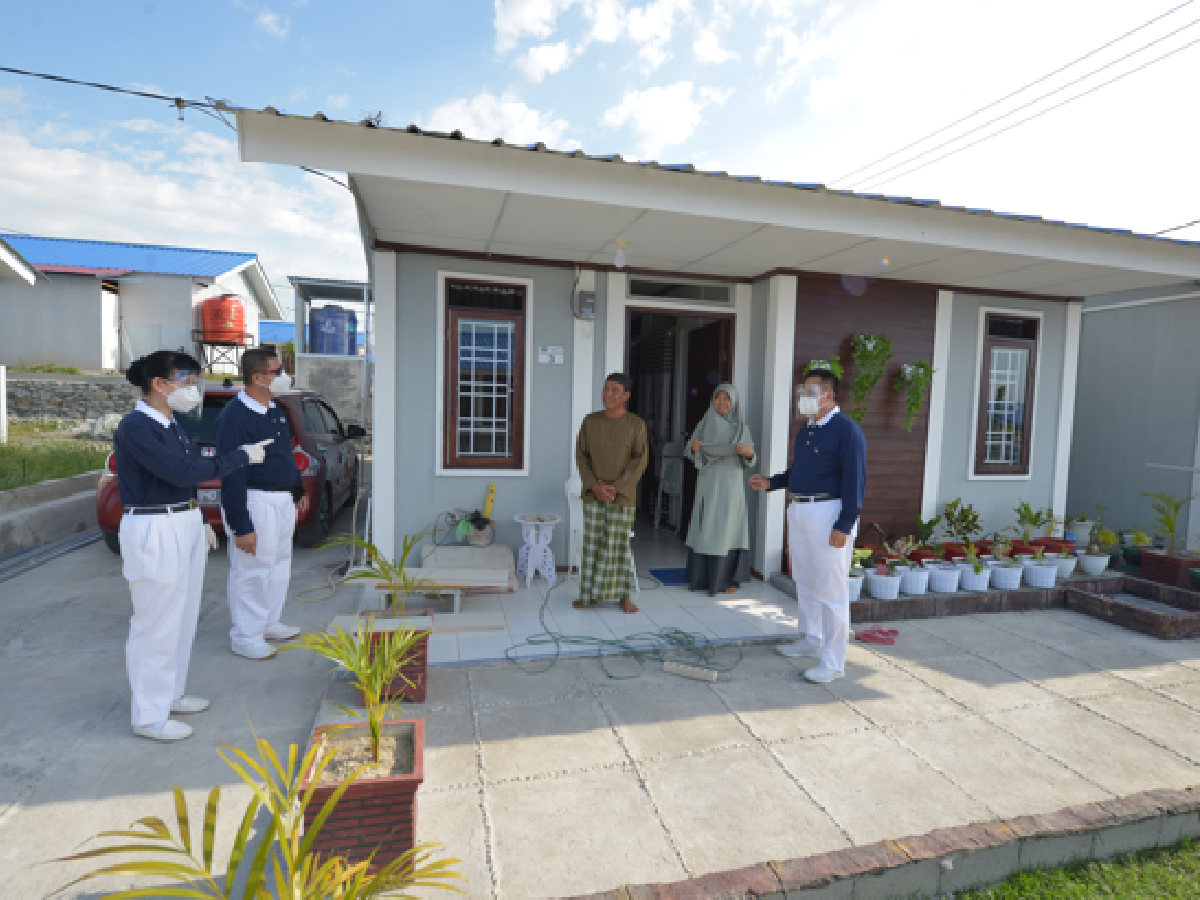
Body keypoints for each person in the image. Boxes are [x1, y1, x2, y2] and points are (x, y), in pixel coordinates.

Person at [114, 351, 271, 742]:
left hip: (181, 520)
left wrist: (199, 518)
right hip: (153, 525)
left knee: (183, 617)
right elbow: (181, 471)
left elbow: (183, 483)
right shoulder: (137, 426)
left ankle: (170, 694)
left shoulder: (170, 422)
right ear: (159, 384)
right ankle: (148, 715)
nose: (192, 388)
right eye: (186, 380)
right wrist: (239, 457)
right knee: (155, 622)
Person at [750, 368, 866, 684]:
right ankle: (810, 639)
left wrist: (844, 524)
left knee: (831, 590)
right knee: (805, 581)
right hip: (800, 511)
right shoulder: (808, 429)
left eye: (811, 391)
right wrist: (772, 482)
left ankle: (832, 661)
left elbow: (856, 482)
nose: (803, 397)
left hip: (829, 513)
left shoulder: (847, 430)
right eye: (803, 391)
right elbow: (800, 471)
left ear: (829, 395)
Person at [216, 348, 307, 661]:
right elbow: (231, 470)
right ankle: (246, 636)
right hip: (256, 499)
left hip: (282, 499)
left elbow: (285, 452)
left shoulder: (276, 409)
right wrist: (241, 524)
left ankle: (269, 622)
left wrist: (297, 489)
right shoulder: (234, 417)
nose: (283, 377)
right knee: (252, 569)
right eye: (276, 371)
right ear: (257, 377)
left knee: (279, 565)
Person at [574, 373, 649, 614]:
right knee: (592, 546)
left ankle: (624, 597)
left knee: (619, 547)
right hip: (593, 493)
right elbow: (581, 456)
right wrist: (595, 485)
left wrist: (616, 487)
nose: (608, 394)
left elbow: (640, 460)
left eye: (615, 390)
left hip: (623, 496)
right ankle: (588, 595)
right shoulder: (590, 421)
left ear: (626, 396)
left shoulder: (636, 424)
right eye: (606, 389)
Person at [684, 384, 756, 596]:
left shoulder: (741, 427)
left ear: (733, 402)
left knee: (728, 530)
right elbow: (689, 449)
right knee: (706, 527)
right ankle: (701, 578)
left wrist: (748, 453)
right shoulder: (705, 423)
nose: (722, 403)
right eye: (718, 398)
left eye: (727, 399)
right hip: (708, 482)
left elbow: (752, 458)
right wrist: (693, 447)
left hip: (730, 486)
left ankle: (728, 580)